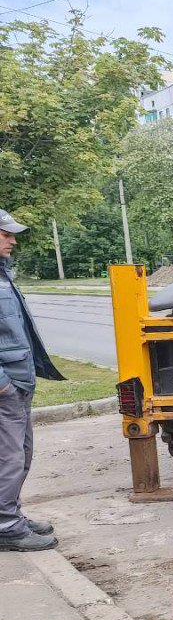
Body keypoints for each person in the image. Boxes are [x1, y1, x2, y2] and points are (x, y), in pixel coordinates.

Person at [0, 210, 64, 551]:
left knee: (20, 454)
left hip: (18, 382)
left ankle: (10, 514)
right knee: (7, 458)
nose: (13, 240)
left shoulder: (3, 275)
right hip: (6, 386)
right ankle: (6, 526)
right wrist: (3, 385)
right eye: (6, 234)